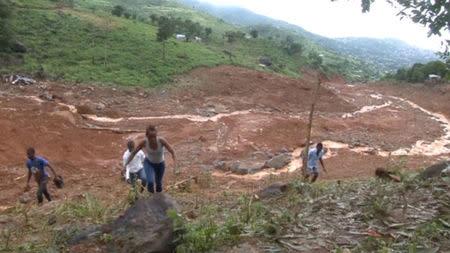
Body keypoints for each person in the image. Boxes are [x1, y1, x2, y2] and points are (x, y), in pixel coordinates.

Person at [126, 125, 177, 193]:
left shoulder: (161, 141)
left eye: (154, 137)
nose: (153, 139)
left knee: (158, 182)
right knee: (150, 181)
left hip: (160, 164)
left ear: (156, 135)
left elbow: (172, 150)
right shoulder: (144, 142)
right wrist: (125, 165)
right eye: (150, 137)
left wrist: (175, 160)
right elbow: (133, 153)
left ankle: (159, 197)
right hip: (149, 163)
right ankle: (151, 196)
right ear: (147, 136)